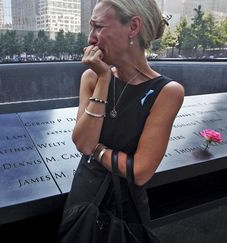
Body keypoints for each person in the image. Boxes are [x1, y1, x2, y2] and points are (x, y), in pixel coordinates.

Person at [61, 0, 184, 236]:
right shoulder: (92, 77)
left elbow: (139, 171)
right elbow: (83, 143)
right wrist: (104, 80)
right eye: (91, 28)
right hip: (83, 202)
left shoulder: (167, 92)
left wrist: (97, 152)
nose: (91, 39)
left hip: (125, 212)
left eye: (98, 27)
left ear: (133, 27)